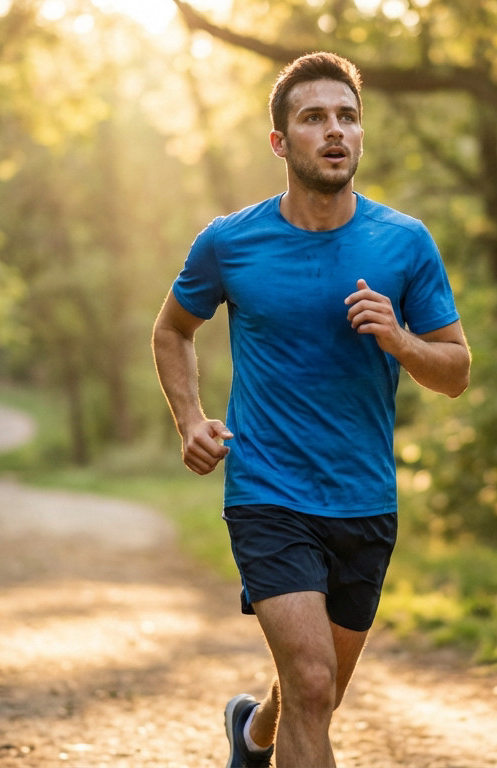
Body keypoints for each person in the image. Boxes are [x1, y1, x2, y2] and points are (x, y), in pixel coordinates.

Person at [151, 51, 470, 768]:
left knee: (313, 692)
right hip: (268, 492)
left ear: (361, 134)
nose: (335, 131)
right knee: (314, 680)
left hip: (363, 497)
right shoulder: (230, 242)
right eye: (314, 117)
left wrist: (401, 340)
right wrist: (190, 420)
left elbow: (456, 373)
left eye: (348, 117)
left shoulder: (405, 243)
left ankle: (252, 731)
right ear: (280, 142)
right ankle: (269, 729)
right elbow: (172, 328)